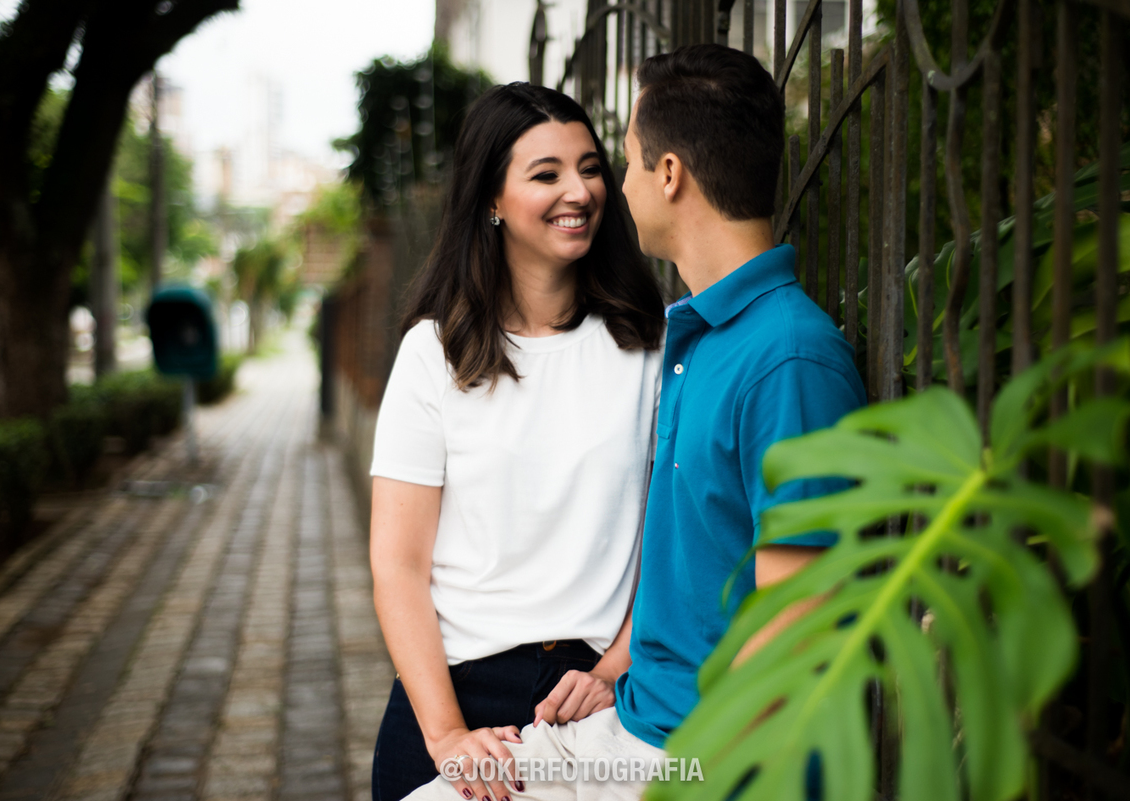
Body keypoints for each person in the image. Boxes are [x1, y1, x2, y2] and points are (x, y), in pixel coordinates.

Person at [403, 43, 866, 801]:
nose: (614, 187)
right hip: (627, 725)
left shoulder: (789, 361)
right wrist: (614, 669)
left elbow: (794, 636)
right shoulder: (694, 336)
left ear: (671, 174)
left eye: (623, 162)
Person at [368, 82, 666, 801]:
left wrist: (612, 668)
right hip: (456, 691)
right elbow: (398, 564)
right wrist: (446, 737)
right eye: (547, 173)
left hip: (596, 695)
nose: (580, 190)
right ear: (492, 201)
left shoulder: (649, 346)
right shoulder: (432, 354)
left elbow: (666, 537)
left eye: (591, 166)